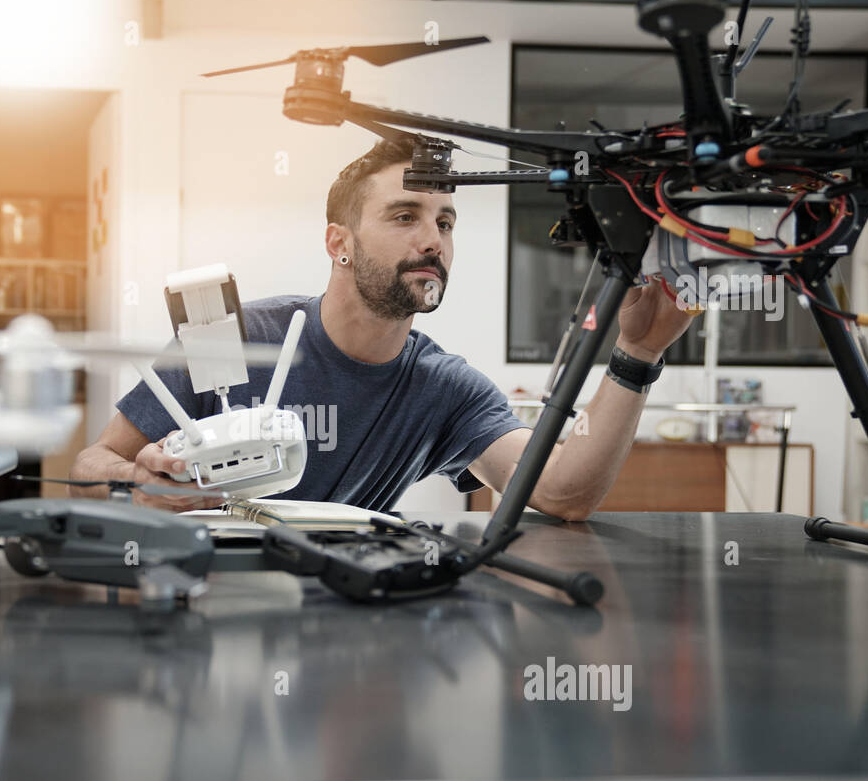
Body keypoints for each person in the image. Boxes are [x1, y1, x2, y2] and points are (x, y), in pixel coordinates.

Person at [71, 136, 695, 518]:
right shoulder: (230, 338)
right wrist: (137, 483)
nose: (433, 241)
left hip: (351, 638)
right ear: (338, 243)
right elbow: (87, 470)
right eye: (405, 216)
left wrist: (636, 354)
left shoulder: (445, 389)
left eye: (445, 223)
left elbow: (562, 494)